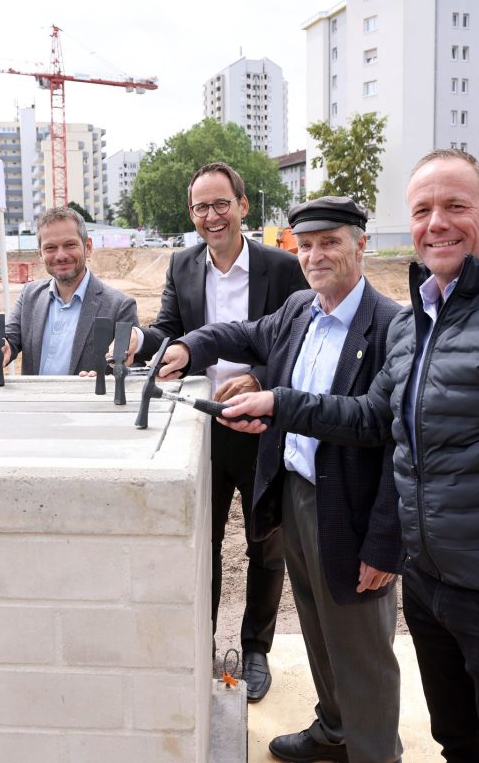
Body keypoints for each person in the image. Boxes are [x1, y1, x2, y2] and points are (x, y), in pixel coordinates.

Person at [221, 149, 479, 763]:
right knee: (459, 744)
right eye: (423, 209)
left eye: (456, 206)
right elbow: (370, 419)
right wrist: (277, 402)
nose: (438, 223)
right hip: (431, 590)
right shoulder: (417, 324)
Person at [159, 196, 404, 763]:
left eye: (330, 243)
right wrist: (186, 345)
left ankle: (374, 752)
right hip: (296, 494)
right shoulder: (300, 308)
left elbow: (391, 438)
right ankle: (336, 728)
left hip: (350, 506)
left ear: (360, 244)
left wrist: (386, 542)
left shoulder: (392, 326)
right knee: (319, 627)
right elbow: (243, 334)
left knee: (362, 645)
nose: (315, 256)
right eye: (306, 245)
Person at [127, 161, 309, 700]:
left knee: (265, 543)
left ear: (243, 207)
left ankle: (255, 650)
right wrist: (142, 342)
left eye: (221, 204)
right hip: (201, 427)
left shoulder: (282, 267)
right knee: (200, 541)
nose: (212, 216)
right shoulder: (183, 265)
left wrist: (260, 377)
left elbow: (297, 344)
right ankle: (200, 642)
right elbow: (168, 328)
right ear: (191, 214)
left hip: (260, 425)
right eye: (202, 207)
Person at [0, 206, 137, 375]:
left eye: (70, 245)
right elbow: (9, 338)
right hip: (34, 400)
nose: (60, 256)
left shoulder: (120, 306)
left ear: (88, 246)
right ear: (40, 254)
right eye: (50, 248)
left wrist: (109, 380)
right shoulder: (29, 296)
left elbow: (133, 366)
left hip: (88, 402)